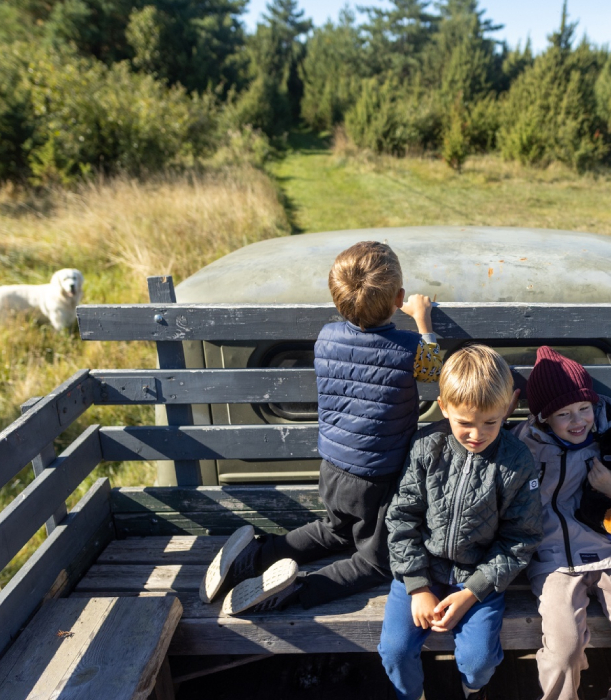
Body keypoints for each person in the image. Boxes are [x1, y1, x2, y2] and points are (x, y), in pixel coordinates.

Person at [204, 241, 443, 614]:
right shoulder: (407, 347)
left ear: (337, 299)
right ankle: (295, 591)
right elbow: (432, 371)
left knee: (334, 530)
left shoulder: (326, 338)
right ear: (399, 297)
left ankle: (253, 557)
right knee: (376, 561)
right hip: (376, 479)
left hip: (332, 468)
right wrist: (422, 319)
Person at [378, 345, 545, 699]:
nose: (477, 434)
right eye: (464, 423)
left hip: (480, 576)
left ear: (508, 408)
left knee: (479, 657)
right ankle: (412, 696)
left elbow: (521, 537)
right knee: (394, 649)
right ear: (444, 408)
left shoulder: (517, 461)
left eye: (491, 422)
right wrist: (418, 586)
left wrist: (473, 592)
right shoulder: (427, 447)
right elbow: (402, 517)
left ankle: (472, 690)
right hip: (422, 568)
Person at [514, 346, 611, 700]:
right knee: (564, 651)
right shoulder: (523, 449)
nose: (577, 421)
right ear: (542, 419)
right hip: (555, 562)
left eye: (584, 408)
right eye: (563, 414)